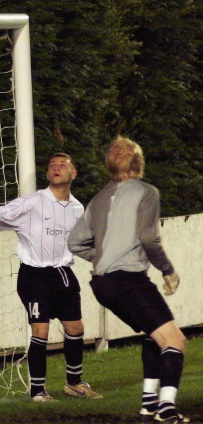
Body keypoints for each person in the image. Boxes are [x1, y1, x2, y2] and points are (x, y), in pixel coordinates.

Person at [68, 136, 187, 424]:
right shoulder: (146, 192)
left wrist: (103, 256)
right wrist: (168, 270)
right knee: (175, 341)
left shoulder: (96, 201)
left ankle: (148, 404)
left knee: (153, 336)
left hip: (103, 285)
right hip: (128, 281)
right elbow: (149, 238)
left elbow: (74, 242)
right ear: (139, 161)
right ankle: (166, 410)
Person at [0, 153, 102, 402]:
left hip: (63, 275)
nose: (56, 168)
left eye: (62, 165)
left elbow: (79, 244)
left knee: (75, 328)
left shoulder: (78, 208)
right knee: (41, 331)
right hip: (34, 276)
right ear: (47, 174)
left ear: (73, 174)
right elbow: (2, 211)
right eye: (52, 165)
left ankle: (74, 383)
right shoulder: (34, 202)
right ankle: (37, 392)